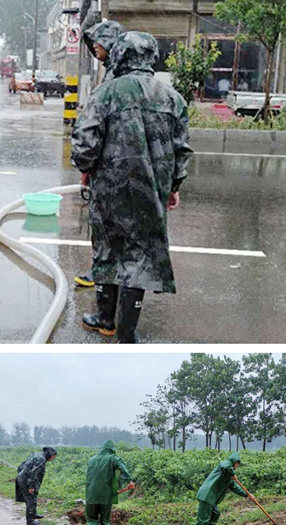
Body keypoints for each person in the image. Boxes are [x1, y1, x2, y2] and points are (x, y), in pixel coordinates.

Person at [71, 32, 194, 343]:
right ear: (150, 57)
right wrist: (173, 186)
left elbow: (84, 142)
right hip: (151, 191)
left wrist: (86, 170)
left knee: (108, 250)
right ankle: (127, 333)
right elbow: (182, 149)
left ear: (120, 56)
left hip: (110, 191)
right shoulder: (171, 98)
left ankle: (104, 319)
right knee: (139, 255)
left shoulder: (106, 93)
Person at [73, 20, 124, 289]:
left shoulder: (114, 78)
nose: (94, 45)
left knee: (105, 222)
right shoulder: (119, 74)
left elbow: (94, 128)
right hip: (122, 162)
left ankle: (103, 273)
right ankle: (117, 273)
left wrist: (85, 165)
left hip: (109, 164)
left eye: (100, 40)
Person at [85, 440, 135, 525]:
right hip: (106, 496)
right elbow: (122, 466)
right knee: (104, 521)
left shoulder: (91, 460)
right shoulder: (113, 458)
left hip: (91, 495)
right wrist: (129, 480)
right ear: (111, 450)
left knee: (91, 519)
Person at [193, 451, 254, 525]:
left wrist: (247, 495)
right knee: (203, 518)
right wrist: (232, 474)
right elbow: (225, 466)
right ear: (234, 462)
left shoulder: (229, 478)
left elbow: (235, 487)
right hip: (207, 495)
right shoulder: (226, 464)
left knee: (215, 514)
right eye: (237, 464)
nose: (237, 467)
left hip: (212, 498)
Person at [15, 446, 57, 525]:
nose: (53, 459)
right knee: (31, 499)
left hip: (23, 477)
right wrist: (31, 486)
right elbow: (34, 473)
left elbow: (22, 465)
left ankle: (33, 514)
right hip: (26, 480)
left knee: (33, 496)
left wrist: (20, 474)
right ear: (50, 455)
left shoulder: (37, 455)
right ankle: (30, 520)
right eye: (53, 457)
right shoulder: (41, 459)